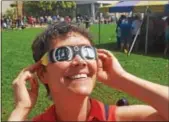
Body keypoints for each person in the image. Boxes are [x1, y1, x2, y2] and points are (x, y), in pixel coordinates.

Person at [8, 22, 169, 121]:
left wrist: (122, 79)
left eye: (87, 52)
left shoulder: (118, 118)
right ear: (42, 73)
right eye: (63, 54)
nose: (80, 61)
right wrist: (21, 109)